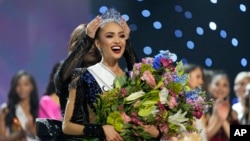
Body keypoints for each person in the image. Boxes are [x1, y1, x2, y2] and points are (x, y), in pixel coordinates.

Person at [58, 8, 162, 141]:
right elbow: (67, 125)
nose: (117, 41)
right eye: (109, 36)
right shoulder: (81, 76)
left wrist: (156, 133)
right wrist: (101, 130)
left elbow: (138, 75)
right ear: (97, 43)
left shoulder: (130, 78)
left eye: (121, 36)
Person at [0, 70, 39, 141]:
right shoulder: (6, 110)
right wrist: (19, 134)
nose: (22, 88)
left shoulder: (39, 109)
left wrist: (31, 130)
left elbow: (47, 137)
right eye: (18, 85)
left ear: (32, 87)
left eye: (26, 84)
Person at [177, 63, 207, 141]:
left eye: (202, 77)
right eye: (198, 77)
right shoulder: (175, 101)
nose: (201, 81)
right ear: (187, 76)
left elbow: (202, 133)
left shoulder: (199, 103)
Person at [205, 71, 238, 141]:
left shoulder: (234, 113)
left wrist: (223, 114)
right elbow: (204, 137)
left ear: (229, 89)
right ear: (209, 87)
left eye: (225, 85)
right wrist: (217, 113)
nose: (220, 88)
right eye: (217, 84)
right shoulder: (202, 111)